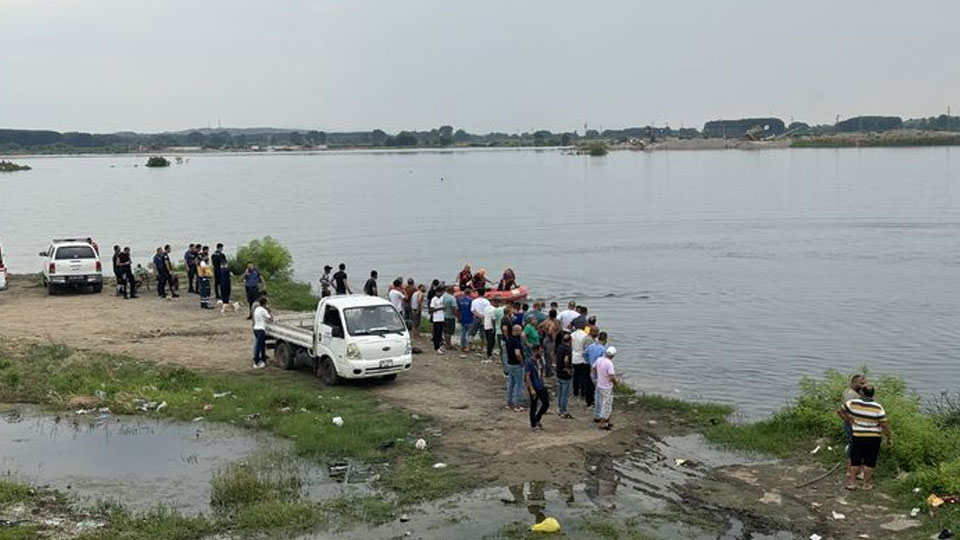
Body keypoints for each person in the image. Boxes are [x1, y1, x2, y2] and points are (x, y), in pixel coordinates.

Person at [838, 385, 893, 491]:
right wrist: (889, 437)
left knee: (855, 460)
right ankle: (865, 484)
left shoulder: (853, 403)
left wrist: (848, 419)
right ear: (873, 394)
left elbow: (840, 411)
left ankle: (852, 483)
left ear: (862, 393)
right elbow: (884, 424)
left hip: (858, 436)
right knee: (870, 461)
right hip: (874, 438)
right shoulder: (878, 407)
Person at [840, 374, 867, 458]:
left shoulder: (852, 392)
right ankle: (852, 461)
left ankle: (853, 459)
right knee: (853, 443)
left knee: (853, 442)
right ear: (854, 383)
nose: (863, 386)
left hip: (852, 422)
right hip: (852, 423)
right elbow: (846, 411)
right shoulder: (851, 396)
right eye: (861, 383)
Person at [593, 347, 620, 430]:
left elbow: (593, 368)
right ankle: (603, 423)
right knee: (606, 405)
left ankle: (607, 420)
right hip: (607, 387)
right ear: (613, 355)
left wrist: (596, 377)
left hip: (599, 384)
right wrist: (616, 383)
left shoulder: (599, 359)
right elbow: (611, 376)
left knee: (603, 403)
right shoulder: (609, 363)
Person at [525, 345, 549, 431]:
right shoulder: (530, 362)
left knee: (546, 403)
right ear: (535, 351)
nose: (541, 353)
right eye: (540, 351)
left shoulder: (540, 361)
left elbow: (541, 372)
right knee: (534, 406)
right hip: (534, 386)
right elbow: (527, 376)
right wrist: (531, 389)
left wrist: (543, 381)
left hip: (540, 385)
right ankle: (533, 424)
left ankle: (537, 419)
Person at [584, 330, 608, 413]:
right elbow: (604, 361)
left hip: (590, 367)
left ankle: (589, 401)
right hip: (598, 370)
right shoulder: (603, 349)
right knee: (598, 388)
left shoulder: (592, 346)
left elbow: (584, 353)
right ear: (605, 340)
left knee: (589, 385)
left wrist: (588, 361)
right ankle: (597, 404)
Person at [504, 324, 525, 410]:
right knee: (519, 384)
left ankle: (509, 402)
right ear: (516, 331)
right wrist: (521, 361)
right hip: (517, 365)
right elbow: (517, 353)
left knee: (511, 384)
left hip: (510, 363)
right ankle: (517, 404)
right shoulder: (516, 341)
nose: (521, 332)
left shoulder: (509, 340)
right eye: (520, 331)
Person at [555, 332, 574, 419]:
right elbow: (566, 359)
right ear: (570, 340)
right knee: (565, 393)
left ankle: (559, 408)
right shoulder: (568, 349)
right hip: (565, 373)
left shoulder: (559, 347)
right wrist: (568, 368)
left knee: (560, 391)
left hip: (559, 371)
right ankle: (563, 410)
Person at [251, 296, 272, 368]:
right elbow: (270, 319)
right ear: (265, 303)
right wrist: (268, 310)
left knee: (262, 345)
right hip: (261, 329)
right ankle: (257, 362)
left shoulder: (257, 309)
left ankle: (263, 359)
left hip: (256, 328)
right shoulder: (263, 310)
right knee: (259, 346)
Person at [539, 309, 560, 377]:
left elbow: (539, 326)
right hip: (549, 340)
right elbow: (550, 331)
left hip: (545, 339)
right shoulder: (552, 323)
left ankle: (548, 371)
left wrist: (542, 333)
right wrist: (552, 337)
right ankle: (549, 372)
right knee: (550, 357)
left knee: (546, 356)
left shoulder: (546, 321)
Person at [456, 286, 474, 351]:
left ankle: (462, 346)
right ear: (470, 293)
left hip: (462, 318)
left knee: (463, 332)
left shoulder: (459, 299)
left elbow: (458, 310)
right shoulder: (471, 300)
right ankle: (468, 346)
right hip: (469, 318)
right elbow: (472, 310)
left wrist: (458, 317)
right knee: (469, 333)